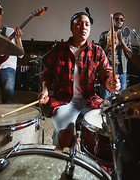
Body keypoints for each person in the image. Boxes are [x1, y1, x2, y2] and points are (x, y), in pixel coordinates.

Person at [38, 8, 121, 149]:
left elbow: (105, 75)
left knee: (104, 132)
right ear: (71, 27)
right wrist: (45, 90)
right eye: (79, 24)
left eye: (87, 24)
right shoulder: (58, 50)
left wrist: (111, 84)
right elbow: (47, 74)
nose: (84, 27)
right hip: (63, 99)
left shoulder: (97, 51)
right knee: (65, 138)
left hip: (89, 99)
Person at [98, 12, 132, 99]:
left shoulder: (126, 36)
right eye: (116, 19)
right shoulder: (104, 35)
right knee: (106, 95)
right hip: (108, 67)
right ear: (113, 21)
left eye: (121, 19)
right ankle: (104, 111)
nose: (119, 21)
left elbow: (130, 54)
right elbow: (98, 55)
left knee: (121, 96)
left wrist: (122, 41)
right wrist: (107, 49)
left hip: (121, 68)